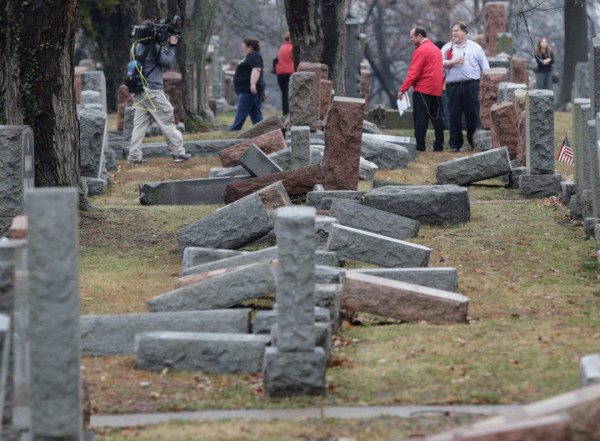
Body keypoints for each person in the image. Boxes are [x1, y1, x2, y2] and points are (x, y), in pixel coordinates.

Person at [127, 22, 191, 165]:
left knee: (139, 125)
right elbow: (168, 63)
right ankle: (178, 153)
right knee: (167, 121)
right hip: (153, 92)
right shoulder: (154, 47)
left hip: (139, 92)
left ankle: (134, 156)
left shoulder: (135, 47)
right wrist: (172, 46)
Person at [441, 21, 490, 152]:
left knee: (472, 115)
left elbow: (485, 67)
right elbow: (439, 64)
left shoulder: (475, 48)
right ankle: (455, 144)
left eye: (456, 30)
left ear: (464, 32)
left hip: (471, 85)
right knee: (454, 115)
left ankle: (474, 142)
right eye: (452, 31)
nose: (454, 33)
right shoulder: (447, 48)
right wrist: (453, 62)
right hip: (453, 87)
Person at [397, 27, 444, 152]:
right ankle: (439, 146)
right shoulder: (436, 49)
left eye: (412, 37)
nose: (410, 40)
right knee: (436, 117)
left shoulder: (421, 50)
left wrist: (403, 89)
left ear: (419, 36)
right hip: (436, 88)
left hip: (423, 89)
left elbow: (414, 73)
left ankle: (420, 146)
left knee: (420, 119)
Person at [228, 38, 265, 131]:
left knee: (242, 110)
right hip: (248, 89)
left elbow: (256, 70)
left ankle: (234, 128)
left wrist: (252, 84)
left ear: (250, 47)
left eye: (244, 47)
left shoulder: (254, 56)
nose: (242, 49)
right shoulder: (250, 56)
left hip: (248, 90)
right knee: (255, 112)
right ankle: (262, 129)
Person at [275, 32, 294, 116]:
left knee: (284, 94)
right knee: (289, 94)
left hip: (280, 73)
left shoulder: (282, 47)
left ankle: (285, 113)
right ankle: (288, 113)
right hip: (290, 72)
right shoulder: (292, 48)